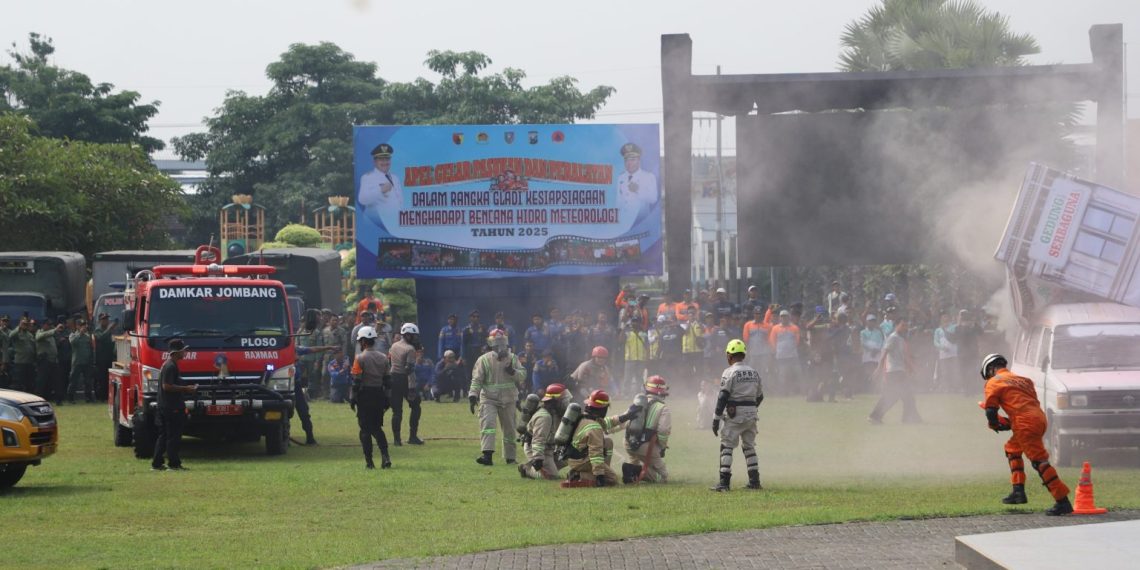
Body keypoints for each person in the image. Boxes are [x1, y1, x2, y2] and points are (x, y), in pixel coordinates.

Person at [979, 354, 1073, 515]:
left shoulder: (994, 382)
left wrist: (994, 424)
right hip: (1039, 418)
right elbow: (1022, 404)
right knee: (1012, 449)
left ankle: (1062, 500)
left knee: (1039, 461)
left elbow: (990, 410)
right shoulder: (1024, 380)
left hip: (1024, 422)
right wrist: (1010, 423)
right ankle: (1018, 492)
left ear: (990, 369)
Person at [711, 339, 763, 492]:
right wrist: (751, 409)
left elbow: (722, 397)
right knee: (749, 446)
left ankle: (724, 483)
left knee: (726, 446)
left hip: (735, 415)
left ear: (729, 355)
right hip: (752, 414)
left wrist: (716, 419)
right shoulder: (754, 372)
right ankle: (754, 481)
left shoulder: (729, 372)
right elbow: (760, 396)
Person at [469, 330, 525, 466]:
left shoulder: (512, 358)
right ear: (491, 344)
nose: (501, 346)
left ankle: (510, 457)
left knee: (510, 428)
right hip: (489, 399)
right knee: (488, 425)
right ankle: (487, 455)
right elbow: (477, 379)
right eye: (497, 343)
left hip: (509, 398)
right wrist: (473, 395)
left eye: (503, 342)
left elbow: (523, 375)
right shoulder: (484, 360)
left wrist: (513, 372)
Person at [565, 389, 641, 487]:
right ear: (602, 409)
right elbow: (595, 452)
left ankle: (599, 470)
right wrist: (599, 475)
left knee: (608, 442)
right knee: (612, 479)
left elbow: (607, 422)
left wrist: (625, 417)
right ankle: (580, 475)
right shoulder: (594, 427)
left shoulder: (585, 417)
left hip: (575, 457)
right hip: (581, 461)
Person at [349, 326, 392, 469]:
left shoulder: (359, 358)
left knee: (365, 430)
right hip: (379, 395)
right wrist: (387, 399)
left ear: (362, 342)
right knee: (377, 428)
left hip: (365, 396)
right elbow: (388, 381)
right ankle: (385, 456)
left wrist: (353, 398)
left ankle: (369, 462)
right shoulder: (384, 358)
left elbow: (356, 381)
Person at [152, 339, 197, 471]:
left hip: (165, 405)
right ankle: (174, 464)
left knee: (165, 435)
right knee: (173, 436)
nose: (185, 352)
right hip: (171, 407)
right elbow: (167, 386)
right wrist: (186, 389)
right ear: (176, 352)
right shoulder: (170, 366)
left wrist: (185, 384)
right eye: (183, 350)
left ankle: (157, 463)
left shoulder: (169, 365)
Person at [868, 318, 922, 424]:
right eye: (902, 325)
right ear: (896, 325)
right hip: (894, 371)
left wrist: (911, 368)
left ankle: (908, 419)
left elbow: (903, 357)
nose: (905, 328)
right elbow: (884, 354)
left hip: (899, 371)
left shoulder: (901, 340)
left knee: (902, 396)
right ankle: (875, 416)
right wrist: (879, 369)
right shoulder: (892, 338)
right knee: (900, 396)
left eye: (906, 326)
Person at [622, 376, 672, 483]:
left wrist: (608, 429)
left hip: (628, 443)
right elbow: (663, 431)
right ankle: (636, 471)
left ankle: (631, 470)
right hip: (646, 447)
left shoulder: (638, 403)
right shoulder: (663, 408)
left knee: (635, 459)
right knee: (663, 477)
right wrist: (662, 447)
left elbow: (624, 420)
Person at [519, 383, 570, 480]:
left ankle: (549, 466)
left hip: (550, 448)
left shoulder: (555, 412)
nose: (566, 403)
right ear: (555, 400)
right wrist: (538, 459)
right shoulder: (544, 417)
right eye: (563, 400)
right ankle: (527, 469)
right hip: (538, 449)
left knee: (570, 457)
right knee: (551, 476)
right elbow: (538, 440)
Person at [388, 323, 424, 445]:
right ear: (408, 335)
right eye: (414, 336)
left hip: (393, 378)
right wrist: (412, 388)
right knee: (416, 406)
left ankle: (397, 440)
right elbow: (409, 370)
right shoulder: (410, 349)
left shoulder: (394, 345)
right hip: (404, 380)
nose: (416, 338)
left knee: (397, 411)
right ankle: (412, 437)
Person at [357, 143, 402, 233]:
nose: (385, 162)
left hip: (394, 225)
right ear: (375, 161)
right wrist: (380, 190)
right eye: (381, 159)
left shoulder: (395, 178)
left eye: (387, 159)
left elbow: (399, 201)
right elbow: (362, 199)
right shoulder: (367, 177)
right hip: (376, 225)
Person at [616, 142, 659, 229]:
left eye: (632, 159)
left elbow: (653, 199)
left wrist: (638, 190)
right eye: (626, 160)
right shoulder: (621, 177)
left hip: (641, 222)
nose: (629, 163)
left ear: (639, 160)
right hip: (623, 223)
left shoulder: (648, 177)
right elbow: (618, 201)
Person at [768, 310, 801, 396]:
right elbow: (772, 340)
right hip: (781, 356)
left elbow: (797, 340)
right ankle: (783, 391)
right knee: (782, 374)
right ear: (780, 318)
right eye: (782, 316)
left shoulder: (794, 328)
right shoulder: (775, 328)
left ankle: (795, 391)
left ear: (788, 317)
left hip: (793, 355)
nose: (784, 318)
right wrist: (777, 350)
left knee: (795, 373)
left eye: (785, 316)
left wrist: (791, 348)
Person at [68, 319, 96, 403]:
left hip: (87, 362)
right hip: (77, 362)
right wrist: (80, 333)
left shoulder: (88, 336)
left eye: (84, 325)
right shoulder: (73, 335)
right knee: (73, 381)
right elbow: (73, 342)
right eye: (81, 325)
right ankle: (70, 398)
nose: (84, 327)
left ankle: (88, 397)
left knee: (88, 381)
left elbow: (91, 348)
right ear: (77, 326)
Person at [35, 319, 62, 401]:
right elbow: (38, 337)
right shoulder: (40, 332)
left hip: (53, 360)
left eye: (50, 325)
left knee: (55, 381)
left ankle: (58, 399)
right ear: (43, 325)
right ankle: (38, 398)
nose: (49, 326)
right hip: (44, 360)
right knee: (42, 381)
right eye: (47, 324)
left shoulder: (51, 335)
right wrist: (54, 330)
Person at [620, 319, 649, 396]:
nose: (635, 323)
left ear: (639, 323)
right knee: (627, 378)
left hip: (641, 359)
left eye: (636, 321)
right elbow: (620, 340)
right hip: (630, 359)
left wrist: (647, 358)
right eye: (633, 322)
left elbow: (647, 347)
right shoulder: (628, 333)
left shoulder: (644, 334)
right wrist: (624, 328)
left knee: (639, 377)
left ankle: (638, 393)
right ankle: (626, 394)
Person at [8, 317, 37, 393]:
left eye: (26, 324)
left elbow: (33, 346)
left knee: (29, 382)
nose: (25, 325)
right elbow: (10, 335)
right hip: (20, 362)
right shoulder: (17, 333)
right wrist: (19, 327)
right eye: (23, 323)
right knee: (19, 383)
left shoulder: (29, 334)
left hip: (29, 362)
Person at [933, 312, 959, 393]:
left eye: (946, 316)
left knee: (955, 371)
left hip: (954, 353)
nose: (945, 319)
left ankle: (955, 388)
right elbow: (935, 341)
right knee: (945, 372)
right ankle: (947, 388)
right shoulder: (938, 330)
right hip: (943, 354)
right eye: (943, 317)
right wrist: (942, 347)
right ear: (941, 319)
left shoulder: (954, 327)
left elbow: (956, 336)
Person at [859, 314, 885, 395]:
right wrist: (871, 349)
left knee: (877, 372)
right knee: (868, 372)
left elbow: (882, 342)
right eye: (870, 321)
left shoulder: (878, 332)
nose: (872, 323)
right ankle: (868, 389)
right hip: (867, 355)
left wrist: (877, 350)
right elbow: (863, 342)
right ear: (867, 322)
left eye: (873, 321)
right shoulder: (863, 332)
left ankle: (876, 389)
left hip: (877, 355)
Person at [461, 310, 487, 383]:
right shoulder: (466, 329)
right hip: (470, 351)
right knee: (469, 371)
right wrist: (463, 357)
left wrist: (485, 347)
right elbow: (463, 344)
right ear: (470, 318)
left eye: (477, 317)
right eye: (474, 316)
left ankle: (480, 389)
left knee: (480, 370)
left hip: (480, 351)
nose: (476, 318)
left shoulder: (482, 328)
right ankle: (470, 390)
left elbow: (487, 340)